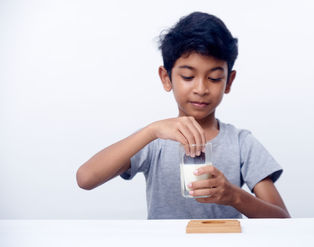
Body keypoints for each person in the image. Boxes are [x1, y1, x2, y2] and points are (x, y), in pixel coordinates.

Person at [76, 11, 290, 219]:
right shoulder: (155, 140)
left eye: (214, 78)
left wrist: (235, 196)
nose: (201, 88)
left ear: (229, 82)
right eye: (188, 76)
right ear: (166, 78)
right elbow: (86, 178)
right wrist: (152, 130)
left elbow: (282, 219)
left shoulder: (241, 143)